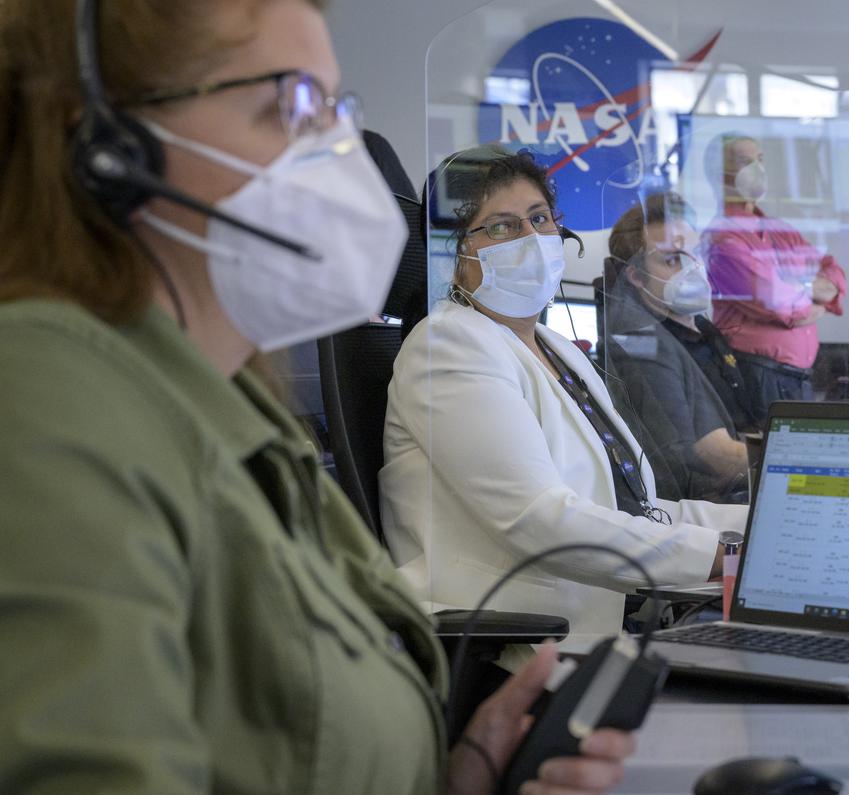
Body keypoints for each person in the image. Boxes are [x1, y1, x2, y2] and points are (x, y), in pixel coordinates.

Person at [0, 2, 633, 793]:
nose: (343, 156)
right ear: (108, 148)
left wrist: (460, 769)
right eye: (292, 105)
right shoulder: (49, 408)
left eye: (336, 110)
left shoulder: (231, 404)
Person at [381, 146, 748, 642]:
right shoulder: (447, 346)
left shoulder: (558, 349)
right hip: (505, 644)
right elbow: (541, 522)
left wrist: (764, 529)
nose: (532, 239)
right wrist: (723, 558)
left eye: (539, 218)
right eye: (503, 227)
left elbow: (642, 512)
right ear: (454, 253)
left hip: (585, 630)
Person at [602, 192, 753, 502]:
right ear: (636, 276)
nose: (692, 268)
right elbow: (711, 456)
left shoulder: (703, 329)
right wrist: (790, 463)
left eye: (695, 253)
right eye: (673, 259)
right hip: (706, 509)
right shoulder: (643, 347)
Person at [702, 133, 848, 415]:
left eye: (760, 160)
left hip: (796, 377)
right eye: (745, 161)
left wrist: (800, 285)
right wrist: (818, 301)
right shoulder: (723, 240)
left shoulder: (777, 228)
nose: (757, 169)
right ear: (718, 174)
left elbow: (834, 274)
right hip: (759, 376)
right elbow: (783, 306)